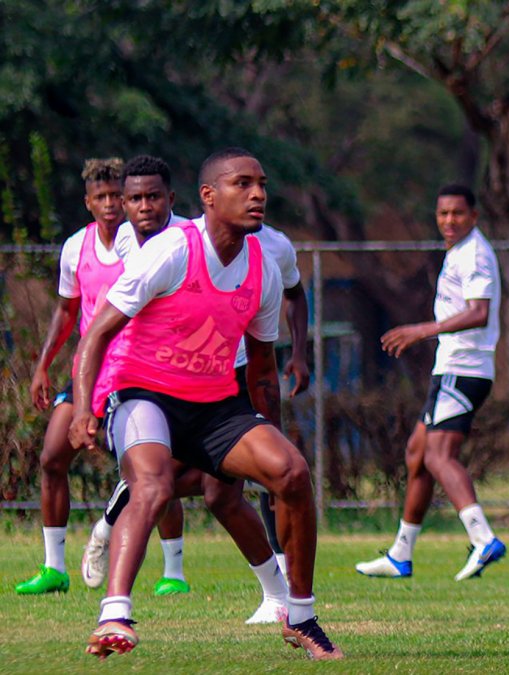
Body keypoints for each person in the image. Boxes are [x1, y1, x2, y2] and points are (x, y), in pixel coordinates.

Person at [69, 148, 341, 660]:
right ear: (209, 197)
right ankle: (115, 615)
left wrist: (271, 432)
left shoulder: (262, 264)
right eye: (243, 184)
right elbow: (98, 331)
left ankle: (299, 616)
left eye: (261, 183)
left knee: (294, 474)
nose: (258, 193)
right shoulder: (171, 249)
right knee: (154, 484)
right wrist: (85, 405)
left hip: (214, 403)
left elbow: (261, 367)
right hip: (142, 392)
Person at [13, 157, 185, 595]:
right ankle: (54, 567)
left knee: (154, 466)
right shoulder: (76, 247)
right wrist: (42, 367)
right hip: (89, 368)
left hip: (133, 365)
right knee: (53, 455)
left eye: (117, 196)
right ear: (89, 202)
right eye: (103, 197)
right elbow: (67, 311)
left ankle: (172, 570)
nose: (111, 205)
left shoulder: (143, 242)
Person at [355, 184, 506, 582]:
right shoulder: (459, 252)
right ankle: (400, 554)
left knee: (439, 456)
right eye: (443, 214)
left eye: (458, 213)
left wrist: (423, 329)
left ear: (474, 216)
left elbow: (478, 313)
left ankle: (483, 538)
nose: (449, 221)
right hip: (452, 368)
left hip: (464, 368)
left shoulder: (475, 254)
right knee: (417, 454)